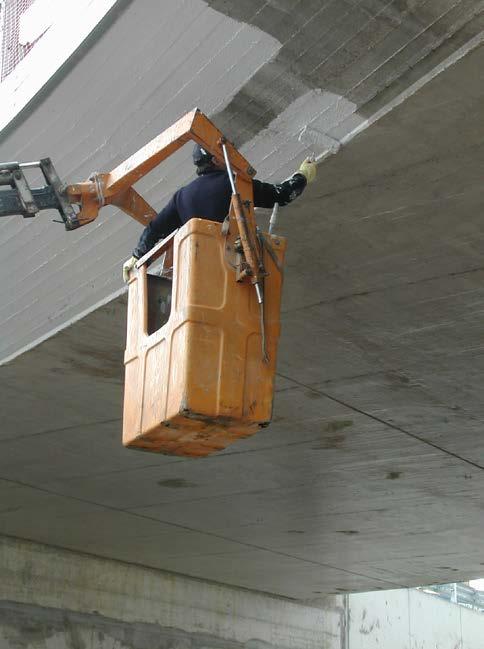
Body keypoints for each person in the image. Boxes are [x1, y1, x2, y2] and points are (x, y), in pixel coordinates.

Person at [122, 144, 317, 281]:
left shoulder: (182, 197)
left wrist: (136, 256)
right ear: (215, 159)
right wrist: (303, 175)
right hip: (231, 267)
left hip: (196, 274)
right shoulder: (232, 184)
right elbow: (280, 195)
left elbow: (155, 229)